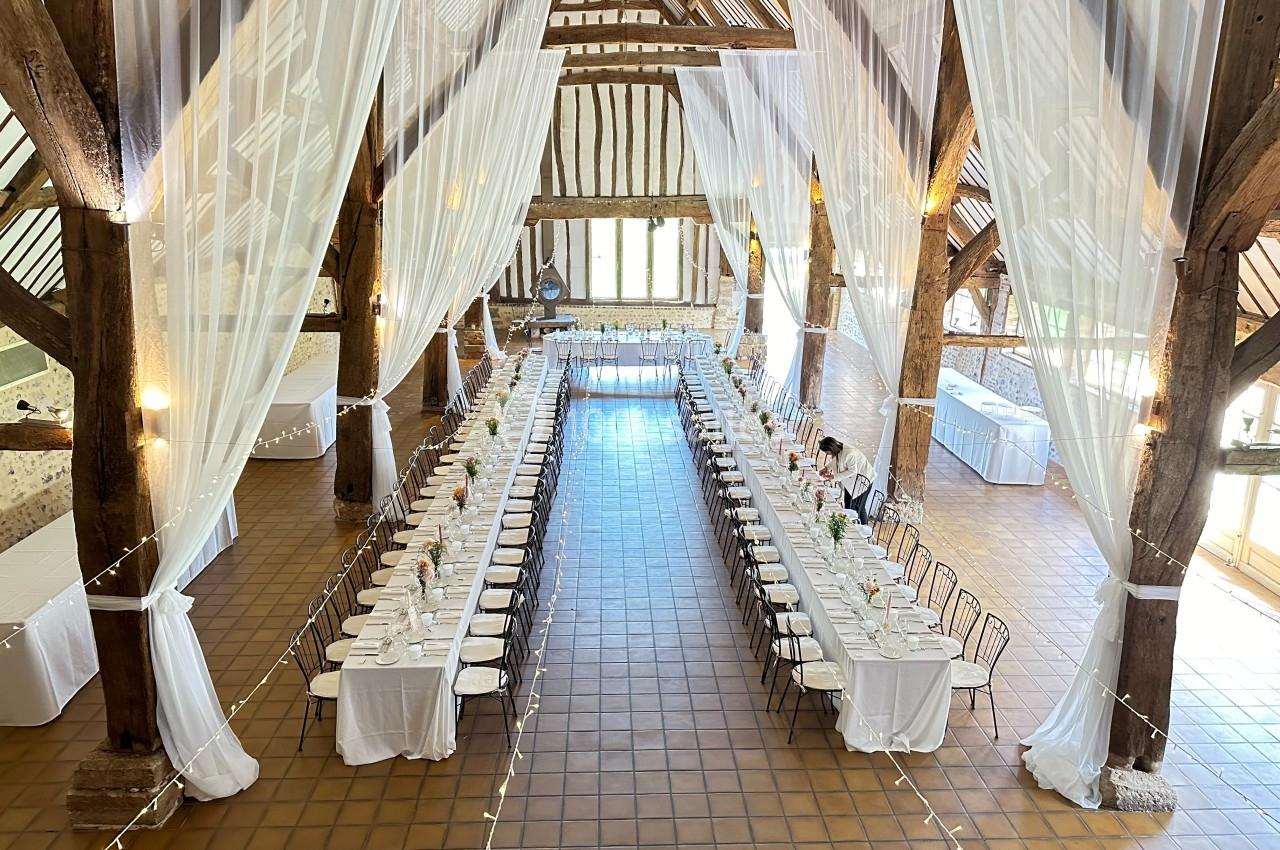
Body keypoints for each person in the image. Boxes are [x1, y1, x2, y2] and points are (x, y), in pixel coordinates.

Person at [816, 434, 873, 523]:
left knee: (859, 508)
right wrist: (826, 468)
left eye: (827, 452)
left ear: (831, 448)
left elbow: (852, 471)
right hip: (851, 482)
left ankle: (861, 529)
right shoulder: (838, 450)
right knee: (848, 506)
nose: (827, 454)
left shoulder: (849, 453)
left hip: (864, 481)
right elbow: (836, 460)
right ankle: (849, 526)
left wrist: (834, 477)